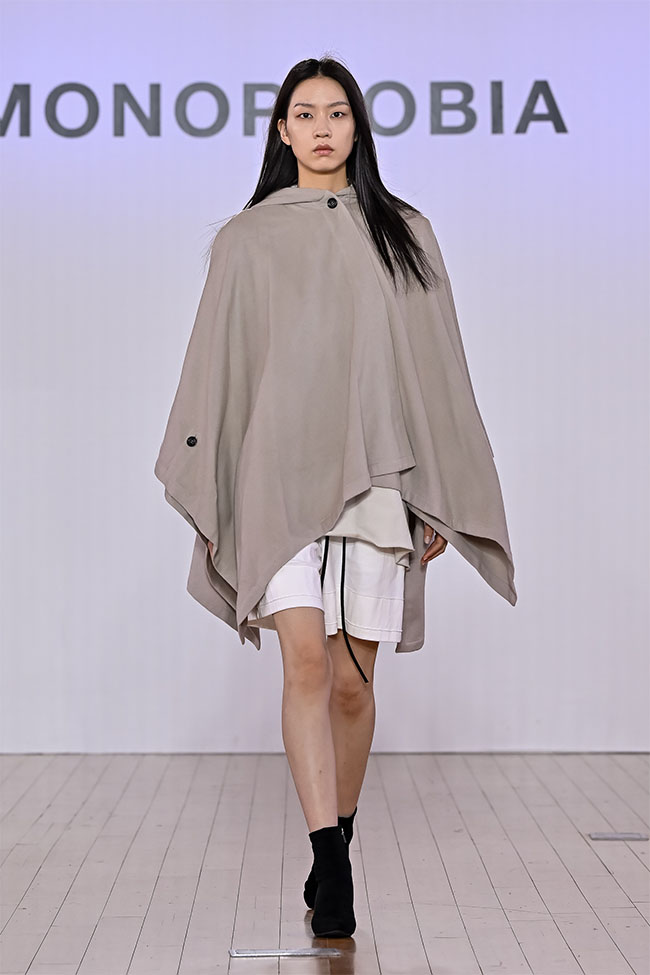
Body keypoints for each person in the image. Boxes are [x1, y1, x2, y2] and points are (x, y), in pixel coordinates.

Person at [154, 55, 516, 939]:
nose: (322, 129)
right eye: (306, 114)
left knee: (353, 684)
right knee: (306, 667)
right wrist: (219, 490)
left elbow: (436, 373)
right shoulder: (246, 240)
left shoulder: (406, 233)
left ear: (358, 126)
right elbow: (220, 369)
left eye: (338, 113)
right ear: (282, 130)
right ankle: (331, 857)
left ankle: (337, 839)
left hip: (377, 478)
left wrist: (436, 491)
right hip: (277, 477)